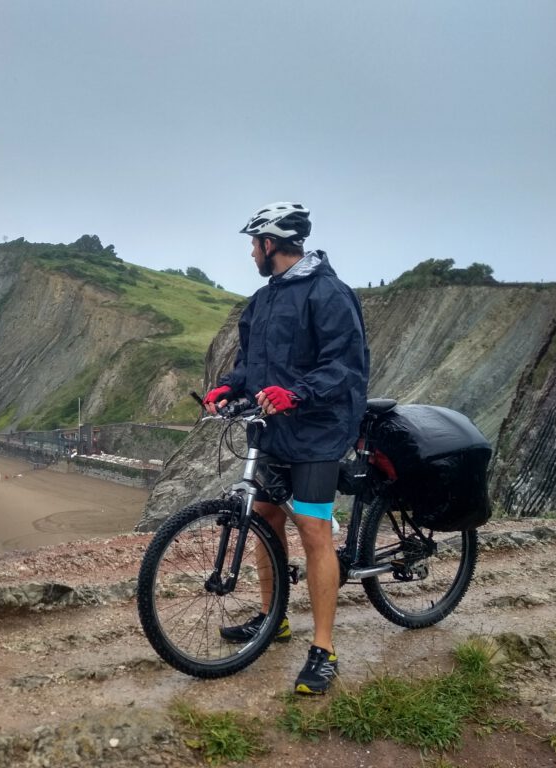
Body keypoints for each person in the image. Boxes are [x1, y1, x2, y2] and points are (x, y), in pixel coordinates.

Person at [203, 201, 370, 695]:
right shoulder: (264, 299)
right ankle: (272, 617)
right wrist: (228, 388)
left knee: (314, 531)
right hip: (274, 430)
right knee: (267, 519)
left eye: (254, 243)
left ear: (270, 244)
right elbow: (252, 365)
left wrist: (297, 393)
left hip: (318, 431)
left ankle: (324, 648)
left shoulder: (329, 293)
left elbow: (345, 366)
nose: (251, 252)